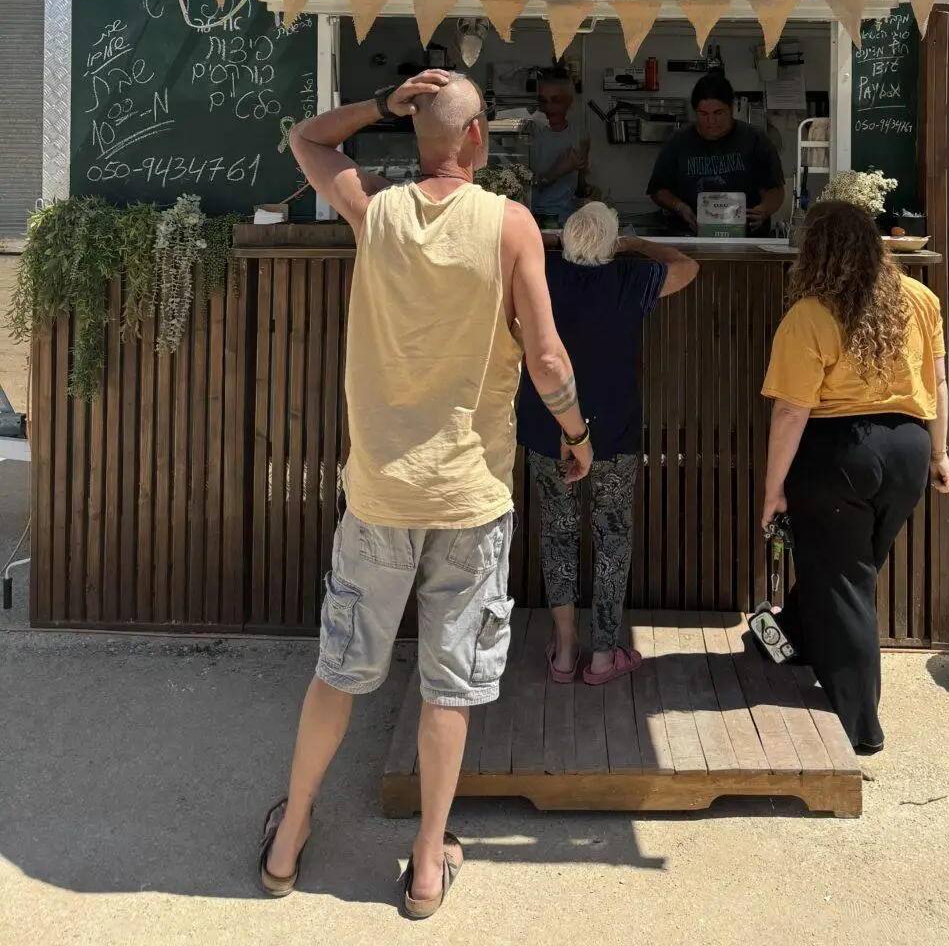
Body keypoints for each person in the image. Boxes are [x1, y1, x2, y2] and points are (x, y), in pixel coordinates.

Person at [260, 69, 592, 920]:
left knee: (340, 671)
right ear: (477, 138)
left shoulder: (376, 210)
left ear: (419, 133)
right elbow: (547, 358)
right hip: (470, 495)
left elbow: (307, 138)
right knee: (449, 687)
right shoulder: (510, 224)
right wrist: (577, 433)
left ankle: (290, 836)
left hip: (380, 492)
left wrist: (381, 103)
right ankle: (426, 867)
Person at [759, 199, 949, 754]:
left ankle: (859, 725)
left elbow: (791, 411)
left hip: (839, 456)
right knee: (849, 568)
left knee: (845, 582)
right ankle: (794, 637)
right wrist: (940, 455)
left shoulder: (809, 315)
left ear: (814, 253)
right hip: (908, 452)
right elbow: (939, 383)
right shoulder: (920, 298)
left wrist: (773, 490)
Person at [517, 203, 698, 682]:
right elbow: (687, 266)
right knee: (612, 536)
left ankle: (563, 651)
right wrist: (636, 244)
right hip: (612, 428)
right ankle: (602, 655)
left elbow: (507, 247)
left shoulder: (542, 273)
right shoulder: (630, 279)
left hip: (548, 423)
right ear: (613, 244)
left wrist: (552, 239)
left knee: (557, 532)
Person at [647, 72, 784, 234]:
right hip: (690, 236)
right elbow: (658, 190)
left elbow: (775, 189)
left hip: (746, 238)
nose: (711, 122)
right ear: (695, 111)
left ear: (731, 107)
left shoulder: (755, 140)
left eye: (718, 113)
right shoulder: (677, 142)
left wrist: (765, 209)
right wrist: (679, 207)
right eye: (703, 114)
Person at [528, 66, 590, 225]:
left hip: (566, 222)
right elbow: (521, 185)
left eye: (556, 100)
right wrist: (558, 170)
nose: (548, 107)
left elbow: (580, 187)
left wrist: (590, 191)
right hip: (532, 219)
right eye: (543, 101)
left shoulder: (580, 136)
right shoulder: (529, 135)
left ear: (569, 102)